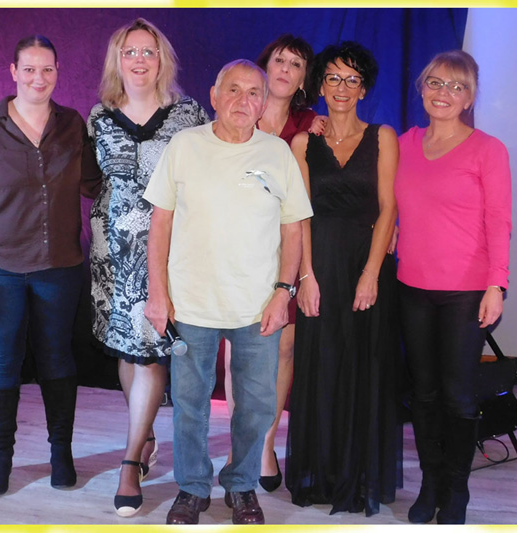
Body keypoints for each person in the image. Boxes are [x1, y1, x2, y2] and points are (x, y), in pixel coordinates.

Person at [144, 59, 312, 525]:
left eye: (254, 92)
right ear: (214, 96)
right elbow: (161, 223)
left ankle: (241, 486)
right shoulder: (185, 146)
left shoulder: (277, 153)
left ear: (264, 102)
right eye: (233, 90)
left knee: (256, 407)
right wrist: (158, 293)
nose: (243, 100)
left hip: (257, 307)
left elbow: (293, 229)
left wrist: (283, 293)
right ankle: (192, 488)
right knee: (189, 405)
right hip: (191, 303)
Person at [0, 35, 101, 496]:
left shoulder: (72, 124)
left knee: (57, 357)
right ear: (13, 72)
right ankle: (1, 458)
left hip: (60, 267)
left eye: (47, 69)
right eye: (29, 69)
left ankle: (61, 453)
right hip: (0, 270)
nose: (38, 78)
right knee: (1, 361)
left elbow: (93, 182)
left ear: (58, 72)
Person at [87, 18, 209, 518]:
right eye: (130, 52)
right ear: (118, 60)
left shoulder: (189, 114)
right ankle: (145, 433)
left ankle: (130, 461)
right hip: (112, 254)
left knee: (151, 353)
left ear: (163, 61)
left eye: (148, 52)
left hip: (166, 251)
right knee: (128, 349)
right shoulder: (98, 116)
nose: (139, 60)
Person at [285, 41, 402, 516]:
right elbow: (299, 215)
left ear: (364, 89)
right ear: (319, 85)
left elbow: (388, 208)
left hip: (366, 263)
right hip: (320, 265)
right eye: (333, 77)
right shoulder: (301, 143)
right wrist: (306, 277)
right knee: (323, 366)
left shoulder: (383, 136)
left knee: (364, 367)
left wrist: (371, 274)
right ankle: (323, 472)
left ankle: (360, 473)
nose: (341, 87)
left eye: (352, 79)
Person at [394, 50, 511, 524]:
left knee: (458, 395)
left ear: (470, 99)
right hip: (412, 287)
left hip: (468, 291)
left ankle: (457, 488)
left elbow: (499, 220)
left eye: (457, 86)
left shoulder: (488, 149)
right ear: (422, 88)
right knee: (423, 394)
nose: (444, 93)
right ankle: (431, 482)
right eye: (436, 83)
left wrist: (497, 284)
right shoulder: (403, 143)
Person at [221, 33, 321, 494]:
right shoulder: (237, 111)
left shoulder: (312, 126)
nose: (285, 69)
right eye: (279, 60)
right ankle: (236, 444)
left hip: (288, 249)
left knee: (282, 350)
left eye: (296, 64)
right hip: (238, 248)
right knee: (236, 352)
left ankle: (264, 443)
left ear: (303, 79)